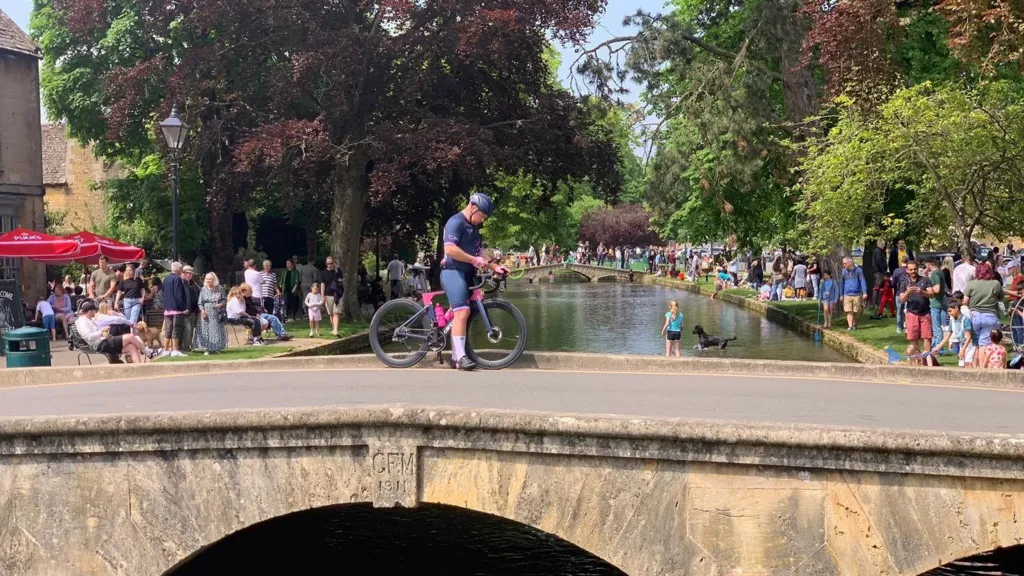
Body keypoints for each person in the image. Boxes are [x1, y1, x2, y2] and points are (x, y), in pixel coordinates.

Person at [441, 193, 507, 371]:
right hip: (453, 271)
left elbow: (480, 252)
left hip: (467, 273)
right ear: (473, 208)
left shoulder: (473, 228)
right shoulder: (455, 222)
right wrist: (472, 260)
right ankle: (460, 357)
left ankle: (457, 354)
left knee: (464, 312)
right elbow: (450, 249)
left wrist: (495, 267)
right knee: (462, 312)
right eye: (482, 215)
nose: (483, 220)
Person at [964, 262, 1015, 350]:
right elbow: (1001, 298)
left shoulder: (971, 284)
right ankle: (983, 364)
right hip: (990, 316)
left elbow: (965, 301)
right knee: (984, 344)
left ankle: (976, 363)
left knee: (975, 344)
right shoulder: (995, 283)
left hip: (974, 316)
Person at [75, 301, 144, 364]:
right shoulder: (83, 322)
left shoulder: (89, 319)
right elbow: (89, 337)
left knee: (131, 347)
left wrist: (104, 333)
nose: (95, 312)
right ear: (89, 311)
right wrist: (101, 332)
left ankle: (138, 367)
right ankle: (149, 353)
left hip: (104, 341)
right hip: (99, 345)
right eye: (94, 311)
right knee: (130, 337)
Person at [899, 261, 935, 362]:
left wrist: (921, 291)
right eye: (910, 269)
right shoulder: (904, 282)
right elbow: (902, 300)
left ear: (917, 268)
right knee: (913, 338)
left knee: (927, 337)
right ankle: (916, 360)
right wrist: (907, 292)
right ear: (907, 270)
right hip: (912, 313)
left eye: (914, 269)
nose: (913, 271)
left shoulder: (925, 280)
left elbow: (932, 294)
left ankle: (927, 360)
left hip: (925, 312)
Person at [160, 262, 190, 358]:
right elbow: (178, 294)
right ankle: (175, 349)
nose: (182, 270)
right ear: (178, 269)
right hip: (176, 309)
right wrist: (183, 307)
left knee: (168, 329)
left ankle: (165, 350)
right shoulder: (177, 279)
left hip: (167, 308)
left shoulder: (166, 279)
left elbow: (163, 292)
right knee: (175, 330)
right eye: (181, 268)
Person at [932, 300, 974, 367]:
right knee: (961, 365)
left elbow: (968, 337)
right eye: (948, 311)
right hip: (962, 344)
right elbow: (946, 337)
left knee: (968, 364)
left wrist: (963, 350)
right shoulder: (952, 321)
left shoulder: (965, 320)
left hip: (970, 345)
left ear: (956, 308)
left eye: (950, 311)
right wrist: (938, 348)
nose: (949, 313)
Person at [196, 272, 227, 354]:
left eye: (210, 279)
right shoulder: (203, 289)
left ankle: (217, 347)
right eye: (207, 279)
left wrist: (220, 304)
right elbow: (200, 302)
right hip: (206, 312)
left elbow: (224, 299)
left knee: (216, 330)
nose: (208, 280)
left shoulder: (219, 288)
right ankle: (207, 348)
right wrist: (202, 311)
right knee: (206, 330)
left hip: (216, 312)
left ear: (214, 280)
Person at [840, 257, 868, 331]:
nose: (844, 265)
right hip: (847, 294)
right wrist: (841, 294)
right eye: (843, 263)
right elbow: (842, 283)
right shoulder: (843, 271)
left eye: (845, 263)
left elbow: (862, 281)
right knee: (848, 310)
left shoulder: (858, 270)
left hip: (857, 294)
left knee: (855, 311)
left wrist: (864, 292)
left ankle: (854, 324)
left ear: (850, 262)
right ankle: (850, 326)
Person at [180, 266, 201, 351]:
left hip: (193, 311)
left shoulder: (193, 284)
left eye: (190, 274)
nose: (188, 275)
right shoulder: (181, 283)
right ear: (182, 274)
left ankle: (188, 346)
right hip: (184, 311)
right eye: (186, 273)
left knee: (191, 329)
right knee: (187, 328)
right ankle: (185, 347)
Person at [320, 257, 342, 336]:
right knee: (331, 314)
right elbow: (322, 285)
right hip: (327, 295)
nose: (329, 265)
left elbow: (341, 281)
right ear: (326, 264)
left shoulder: (338, 271)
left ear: (334, 262)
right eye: (328, 264)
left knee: (336, 312)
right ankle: (333, 329)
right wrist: (322, 296)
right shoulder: (323, 273)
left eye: (331, 263)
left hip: (337, 295)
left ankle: (336, 329)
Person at [891, 256, 910, 334]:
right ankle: (908, 327)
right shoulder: (909, 270)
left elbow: (893, 283)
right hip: (908, 293)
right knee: (908, 311)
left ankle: (899, 327)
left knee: (899, 311)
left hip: (899, 293)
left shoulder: (897, 271)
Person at [871, 239, 888, 312]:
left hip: (878, 272)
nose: (884, 246)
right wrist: (883, 270)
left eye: (884, 244)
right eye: (883, 244)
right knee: (877, 288)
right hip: (879, 272)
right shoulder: (878, 251)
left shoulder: (879, 251)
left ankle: (878, 305)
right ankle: (877, 305)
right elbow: (878, 262)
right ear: (879, 244)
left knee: (877, 288)